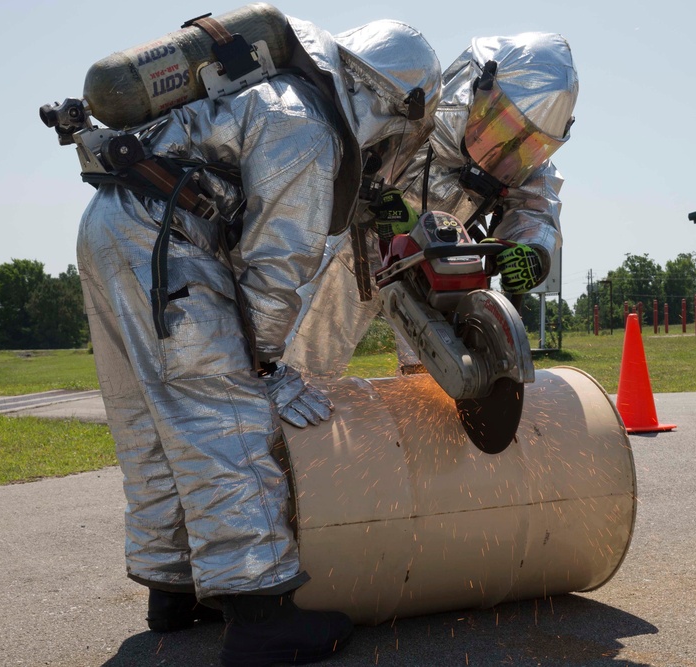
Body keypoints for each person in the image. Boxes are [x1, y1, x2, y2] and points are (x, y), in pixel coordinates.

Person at [74, 14, 440, 667]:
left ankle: (173, 586)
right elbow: (277, 273)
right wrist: (265, 365)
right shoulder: (310, 126)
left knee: (155, 427)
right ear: (390, 102)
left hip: (112, 221)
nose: (388, 148)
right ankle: (261, 618)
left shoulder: (271, 85)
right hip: (168, 241)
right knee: (226, 419)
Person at [284, 32, 578, 379]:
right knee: (305, 369)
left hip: (438, 264)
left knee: (436, 379)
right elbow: (343, 152)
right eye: (504, 129)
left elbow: (536, 206)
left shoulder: (527, 163)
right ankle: (283, 428)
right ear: (477, 91)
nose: (508, 149)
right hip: (354, 253)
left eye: (529, 143)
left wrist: (532, 248)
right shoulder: (420, 104)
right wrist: (371, 199)